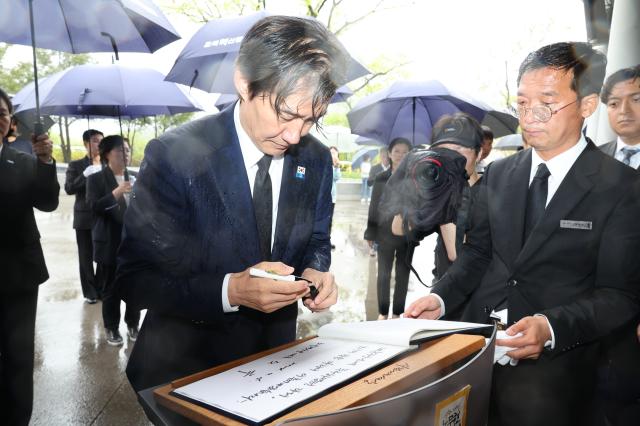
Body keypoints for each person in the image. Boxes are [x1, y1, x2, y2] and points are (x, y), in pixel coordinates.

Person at [404, 42, 640, 426]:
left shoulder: (622, 188)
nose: (530, 117)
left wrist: (551, 326)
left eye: (547, 102)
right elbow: (478, 255)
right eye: (523, 103)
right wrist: (441, 298)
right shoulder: (499, 175)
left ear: (587, 105)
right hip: (482, 359)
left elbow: (620, 295)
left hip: (561, 374)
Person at [115, 15, 346, 393]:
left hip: (276, 365)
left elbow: (318, 240)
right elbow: (134, 278)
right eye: (286, 113)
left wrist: (316, 271)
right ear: (244, 81)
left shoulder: (316, 159)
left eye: (311, 120)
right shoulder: (174, 154)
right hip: (188, 368)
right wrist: (230, 291)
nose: (294, 135)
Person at [0, 88, 59, 425]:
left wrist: (45, 162)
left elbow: (48, 202)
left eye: (2, 113)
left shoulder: (22, 161)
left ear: (11, 122)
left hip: (19, 275)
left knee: (19, 357)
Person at [596, 64, 640, 425]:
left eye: (636, 99)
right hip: (591, 314)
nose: (623, 111)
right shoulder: (592, 161)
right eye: (613, 103)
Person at [86, 136, 140, 346]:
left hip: (133, 243)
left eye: (127, 150)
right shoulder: (96, 179)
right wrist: (117, 192)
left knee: (134, 286)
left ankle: (133, 323)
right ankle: (111, 327)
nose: (125, 153)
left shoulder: (135, 177)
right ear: (107, 153)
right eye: (120, 150)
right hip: (109, 242)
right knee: (111, 289)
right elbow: (95, 207)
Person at [430, 114, 484, 294]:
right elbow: (398, 231)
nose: (451, 157)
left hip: (476, 297)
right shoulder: (439, 190)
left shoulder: (492, 193)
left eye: (459, 148)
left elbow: (458, 255)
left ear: (480, 152)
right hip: (441, 289)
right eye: (443, 150)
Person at [364, 137, 412, 320]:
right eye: (397, 151)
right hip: (384, 234)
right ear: (390, 154)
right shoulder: (381, 178)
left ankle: (397, 312)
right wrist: (370, 232)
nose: (401, 155)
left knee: (403, 274)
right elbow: (374, 206)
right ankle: (383, 312)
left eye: (405, 152)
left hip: (406, 235)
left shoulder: (414, 178)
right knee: (383, 274)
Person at [65, 129, 104, 304]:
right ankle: (90, 292)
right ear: (86, 143)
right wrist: (85, 175)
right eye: (95, 140)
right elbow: (69, 188)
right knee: (86, 257)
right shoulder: (76, 165)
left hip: (104, 217)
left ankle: (102, 288)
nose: (99, 144)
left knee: (104, 255)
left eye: (101, 141)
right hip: (84, 218)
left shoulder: (106, 164)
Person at [329, 146, 341, 250]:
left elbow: (337, 178)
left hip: (332, 198)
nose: (333, 154)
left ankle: (327, 240)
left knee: (329, 221)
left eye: (335, 153)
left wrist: (336, 166)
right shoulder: (324, 164)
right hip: (323, 198)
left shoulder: (336, 166)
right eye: (331, 152)